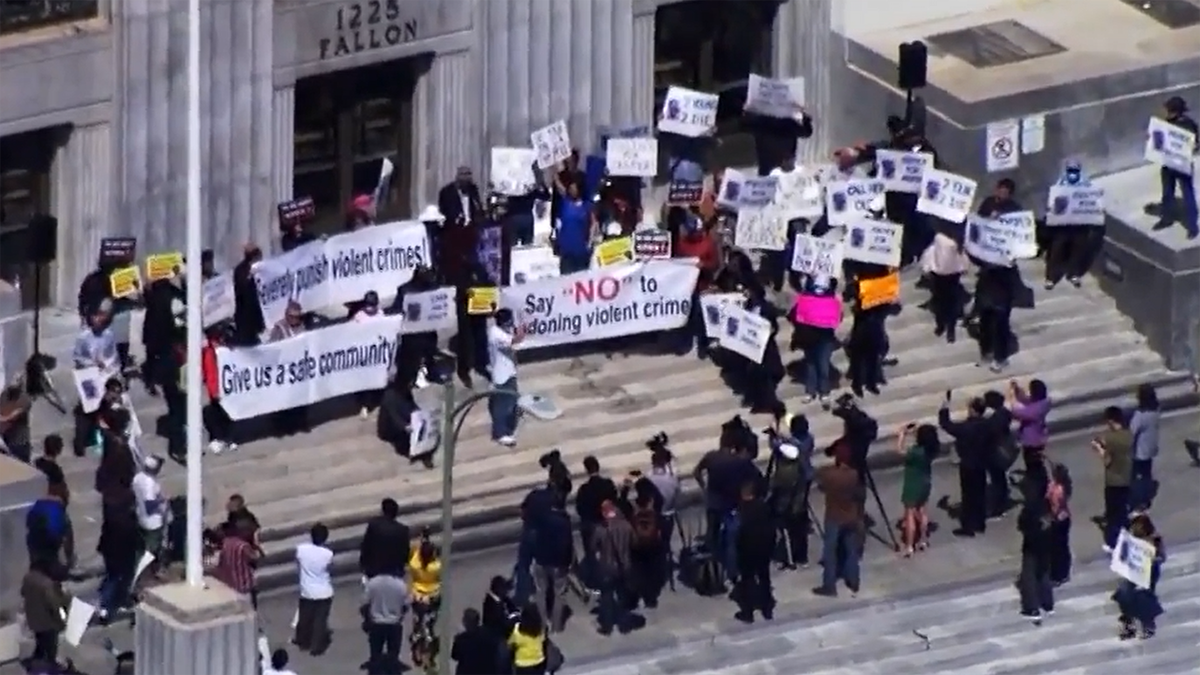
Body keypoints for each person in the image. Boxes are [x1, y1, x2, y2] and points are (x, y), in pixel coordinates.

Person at [812, 442, 864, 597]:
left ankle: (829, 585)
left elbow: (819, 482)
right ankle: (854, 581)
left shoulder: (829, 475)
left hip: (834, 517)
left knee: (830, 552)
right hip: (850, 516)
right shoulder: (854, 475)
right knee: (851, 550)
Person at [938, 396, 991, 537]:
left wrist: (944, 408)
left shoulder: (965, 428)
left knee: (968, 497)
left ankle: (968, 527)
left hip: (968, 465)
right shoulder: (987, 425)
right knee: (980, 494)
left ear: (973, 410)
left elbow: (946, 424)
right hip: (981, 463)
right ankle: (980, 523)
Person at [1044, 161, 1102, 288]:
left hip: (1080, 225)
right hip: (1063, 225)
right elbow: (1054, 201)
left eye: (1075, 171)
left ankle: (1073, 274)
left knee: (1078, 250)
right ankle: (1051, 278)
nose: (1072, 174)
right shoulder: (1061, 183)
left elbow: (1092, 200)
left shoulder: (1086, 183)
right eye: (1070, 171)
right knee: (1056, 251)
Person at [768, 414, 813, 569]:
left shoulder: (797, 446)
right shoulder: (808, 439)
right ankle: (798, 553)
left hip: (795, 482)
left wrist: (776, 440)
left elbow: (786, 448)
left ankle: (792, 554)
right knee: (799, 513)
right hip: (804, 478)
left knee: (791, 518)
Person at [1152, 96, 1199, 238]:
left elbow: (1196, 142)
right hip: (1170, 164)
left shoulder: (1184, 124)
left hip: (1181, 164)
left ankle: (1191, 226)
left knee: (1187, 193)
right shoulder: (1171, 124)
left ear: (1174, 111)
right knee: (1168, 193)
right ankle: (1170, 219)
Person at [1115, 513, 1166, 640]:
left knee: (1143, 599)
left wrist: (1154, 558)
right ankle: (1129, 624)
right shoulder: (1130, 540)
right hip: (1132, 573)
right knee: (1126, 597)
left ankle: (1147, 625)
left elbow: (1161, 557)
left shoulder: (1155, 540)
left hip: (1147, 575)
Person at [1016, 459, 1055, 624]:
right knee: (1044, 573)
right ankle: (1047, 603)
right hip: (1046, 543)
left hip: (1032, 545)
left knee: (1029, 575)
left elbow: (1023, 525)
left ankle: (1032, 608)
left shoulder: (1029, 508)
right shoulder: (1046, 504)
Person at [733, 481, 775, 622]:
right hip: (764, 547)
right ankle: (767, 609)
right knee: (764, 577)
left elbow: (738, 530)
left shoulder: (741, 510)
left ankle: (748, 612)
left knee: (747, 580)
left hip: (747, 549)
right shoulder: (764, 506)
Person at [531, 490, 573, 633]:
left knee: (540, 592)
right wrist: (567, 563)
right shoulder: (564, 521)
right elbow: (567, 544)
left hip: (542, 560)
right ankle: (556, 625)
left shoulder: (542, 518)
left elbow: (535, 536)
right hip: (558, 563)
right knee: (559, 594)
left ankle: (543, 625)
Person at [591, 499, 634, 635]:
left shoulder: (601, 530)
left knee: (607, 597)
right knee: (623, 595)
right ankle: (624, 625)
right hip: (625, 566)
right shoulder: (627, 526)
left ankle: (607, 626)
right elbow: (634, 543)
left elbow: (593, 547)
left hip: (607, 568)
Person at [96, 487, 139, 621]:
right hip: (122, 553)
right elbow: (132, 537)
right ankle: (107, 606)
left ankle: (111, 602)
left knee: (112, 576)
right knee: (118, 577)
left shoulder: (112, 517)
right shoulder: (127, 520)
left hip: (109, 551)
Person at [920, 225, 968, 343]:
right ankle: (948, 329)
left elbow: (932, 252)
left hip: (943, 274)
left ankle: (943, 326)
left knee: (942, 301)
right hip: (949, 274)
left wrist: (926, 267)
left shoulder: (940, 236)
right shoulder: (954, 238)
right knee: (948, 302)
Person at [575, 456, 618, 588]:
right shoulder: (608, 484)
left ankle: (594, 579)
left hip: (592, 525)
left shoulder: (584, 489)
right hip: (607, 523)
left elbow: (580, 509)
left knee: (591, 553)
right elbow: (614, 502)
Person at [21, 558, 71, 670]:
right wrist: (61, 621)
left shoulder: (28, 578)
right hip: (47, 623)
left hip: (33, 618)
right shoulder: (48, 585)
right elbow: (55, 606)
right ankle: (50, 666)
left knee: (40, 641)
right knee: (50, 646)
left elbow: (23, 592)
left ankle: (34, 661)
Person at [1095, 405, 1133, 551]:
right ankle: (1129, 537)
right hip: (1127, 478)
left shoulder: (1110, 438)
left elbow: (1107, 461)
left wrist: (1099, 449)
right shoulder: (1128, 435)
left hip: (1113, 481)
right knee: (1123, 512)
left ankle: (1112, 543)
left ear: (1111, 421)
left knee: (1112, 515)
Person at [294, 523, 334, 655]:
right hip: (324, 591)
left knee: (305, 617)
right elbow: (330, 569)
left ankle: (303, 641)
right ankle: (316, 646)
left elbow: (298, 563)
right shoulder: (328, 554)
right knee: (320, 620)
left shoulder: (301, 549)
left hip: (307, 590)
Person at [363, 558, 408, 675]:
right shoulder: (400, 585)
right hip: (394, 624)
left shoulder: (372, 583)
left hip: (376, 623)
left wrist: (367, 619)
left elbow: (365, 603)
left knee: (375, 654)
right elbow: (406, 605)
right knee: (393, 655)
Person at [897, 423, 936, 557]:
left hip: (913, 484)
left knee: (910, 515)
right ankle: (923, 540)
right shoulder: (930, 450)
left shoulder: (915, 451)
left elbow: (900, 451)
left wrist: (902, 435)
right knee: (923, 511)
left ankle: (909, 545)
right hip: (925, 483)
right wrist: (915, 432)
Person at [487, 308, 524, 447]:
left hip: (510, 372)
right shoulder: (495, 333)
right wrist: (523, 329)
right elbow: (515, 341)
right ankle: (500, 434)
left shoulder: (504, 332)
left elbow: (516, 346)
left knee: (512, 402)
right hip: (501, 375)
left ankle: (508, 430)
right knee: (502, 405)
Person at [408, 530, 443, 667]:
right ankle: (429, 653)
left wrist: (424, 540)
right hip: (433, 596)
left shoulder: (414, 564)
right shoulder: (436, 567)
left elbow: (416, 552)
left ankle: (416, 647)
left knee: (417, 622)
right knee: (429, 624)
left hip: (417, 595)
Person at [131, 456, 167, 574]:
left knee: (141, 546)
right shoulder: (150, 483)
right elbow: (150, 505)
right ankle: (147, 570)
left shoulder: (137, 478)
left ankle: (145, 567)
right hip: (153, 521)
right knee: (153, 548)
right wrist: (161, 501)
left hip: (140, 517)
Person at [216, 513, 261, 608]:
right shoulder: (244, 546)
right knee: (250, 610)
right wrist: (256, 547)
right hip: (244, 585)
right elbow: (255, 559)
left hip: (230, 584)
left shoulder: (227, 542)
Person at [1129, 383, 1161, 511]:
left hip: (1139, 451)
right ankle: (1146, 497)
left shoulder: (1140, 415)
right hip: (1151, 448)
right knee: (1147, 474)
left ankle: (1137, 500)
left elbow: (1132, 431)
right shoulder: (1156, 409)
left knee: (1134, 477)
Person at [360, 498, 411, 579]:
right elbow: (405, 554)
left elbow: (366, 546)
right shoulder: (403, 530)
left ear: (382, 511)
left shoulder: (373, 524)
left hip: (374, 571)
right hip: (394, 572)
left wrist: (364, 566)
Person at [1010, 378, 1051, 470]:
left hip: (1032, 441)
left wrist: (1012, 397)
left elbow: (1017, 412)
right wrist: (1017, 389)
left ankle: (1038, 481)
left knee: (1033, 465)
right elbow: (1025, 400)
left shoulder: (1036, 409)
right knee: (1035, 464)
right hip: (1037, 439)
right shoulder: (1042, 402)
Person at [231, 243, 266, 346]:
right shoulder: (241, 270)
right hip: (246, 318)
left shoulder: (262, 267)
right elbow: (242, 288)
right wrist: (251, 275)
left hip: (260, 315)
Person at [1046, 462, 1073, 585]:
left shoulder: (1059, 490)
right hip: (1063, 519)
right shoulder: (1057, 486)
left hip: (1060, 521)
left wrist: (1050, 517)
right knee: (1061, 547)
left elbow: (1056, 508)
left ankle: (1059, 575)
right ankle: (1061, 572)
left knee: (1058, 548)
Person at [452, 608, 500, 675]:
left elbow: (455, 656)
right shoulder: (487, 635)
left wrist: (456, 640)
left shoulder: (462, 639)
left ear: (466, 622)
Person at [508, 604, 547, 674]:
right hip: (538, 661)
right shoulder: (541, 629)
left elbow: (510, 644)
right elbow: (543, 641)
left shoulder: (517, 630)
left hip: (522, 664)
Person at [0, 382, 32, 462]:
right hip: (6, 439)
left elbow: (9, 416)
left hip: (19, 442)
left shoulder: (25, 399)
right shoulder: (4, 395)